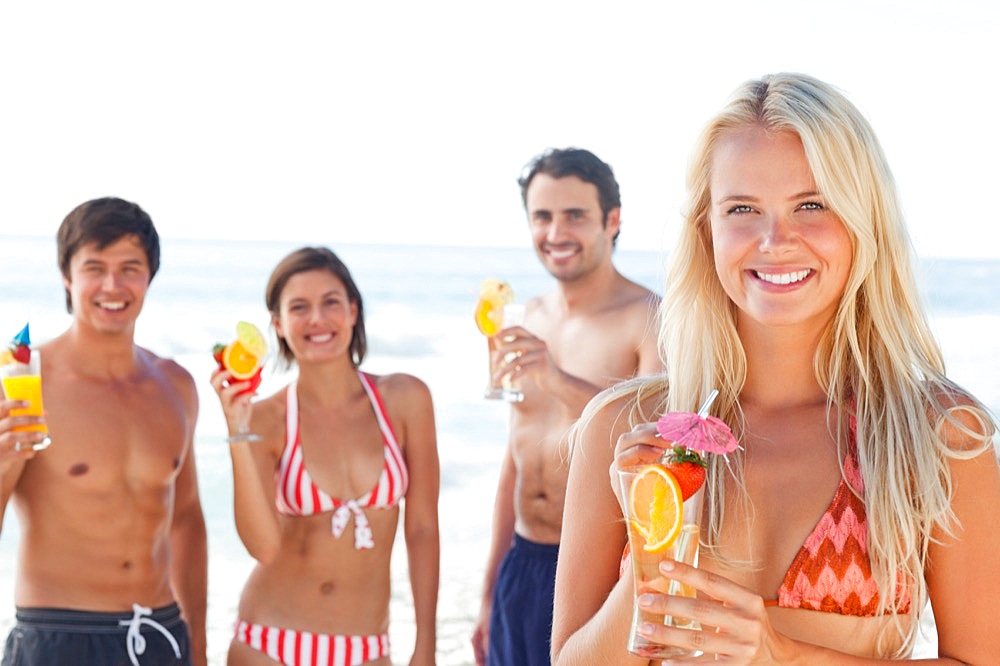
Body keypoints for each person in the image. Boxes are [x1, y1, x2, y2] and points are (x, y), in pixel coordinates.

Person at [551, 73, 1000, 664]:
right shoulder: (626, 427)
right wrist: (652, 554)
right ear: (706, 229)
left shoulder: (937, 435)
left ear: (864, 221)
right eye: (742, 208)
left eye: (811, 204)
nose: (775, 239)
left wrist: (782, 654)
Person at [472, 148, 662, 666]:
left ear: (612, 221)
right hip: (523, 562)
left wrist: (555, 380)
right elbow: (515, 457)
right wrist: (491, 586)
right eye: (542, 216)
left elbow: (657, 447)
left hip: (597, 573)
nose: (556, 232)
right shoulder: (527, 317)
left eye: (574, 215)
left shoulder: (647, 318)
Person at [0, 197, 208, 665]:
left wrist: (197, 645)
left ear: (149, 277)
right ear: (67, 277)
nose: (112, 285)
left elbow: (187, 519)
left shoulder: (176, 385)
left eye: (130, 268)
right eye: (94, 267)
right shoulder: (22, 384)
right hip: (59, 636)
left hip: (160, 632)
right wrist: (7, 461)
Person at [210, 246, 440, 666]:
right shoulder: (268, 419)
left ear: (353, 311)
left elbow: (422, 527)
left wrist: (426, 643)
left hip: (367, 647)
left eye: (330, 302)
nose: (316, 319)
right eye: (299, 307)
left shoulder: (406, 399)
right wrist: (237, 433)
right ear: (278, 325)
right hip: (270, 642)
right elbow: (262, 546)